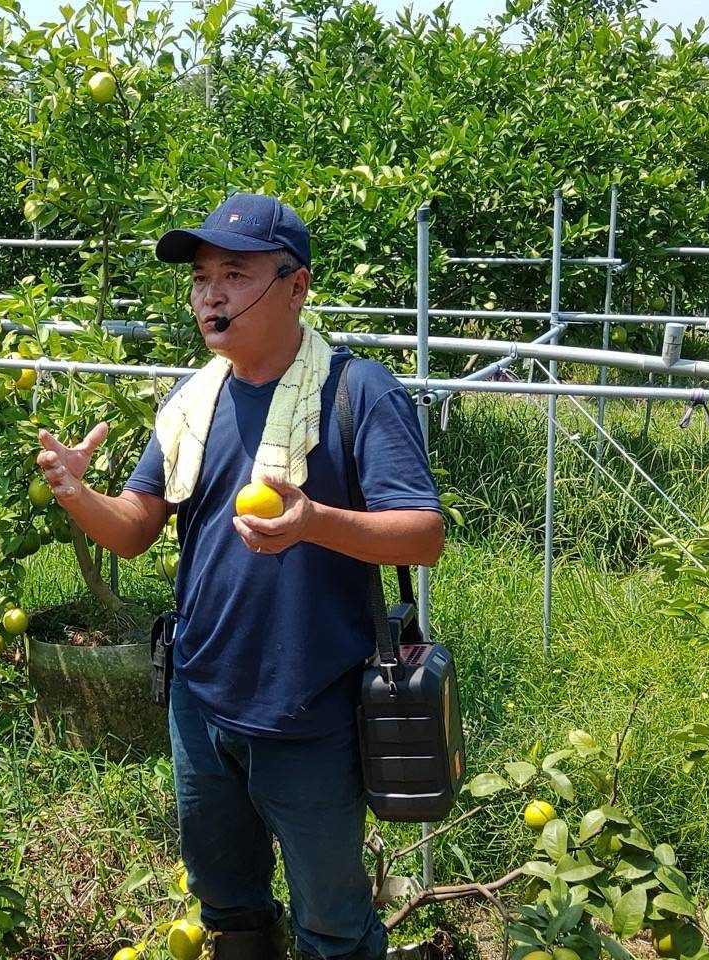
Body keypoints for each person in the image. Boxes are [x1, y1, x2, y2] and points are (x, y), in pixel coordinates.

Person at [36, 192, 444, 960]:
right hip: (202, 700)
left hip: (311, 709)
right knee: (228, 907)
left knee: (334, 925)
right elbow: (135, 529)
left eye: (233, 274)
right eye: (199, 278)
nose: (209, 295)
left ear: (297, 286)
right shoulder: (193, 403)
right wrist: (77, 494)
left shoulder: (355, 393)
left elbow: (423, 535)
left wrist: (314, 521)